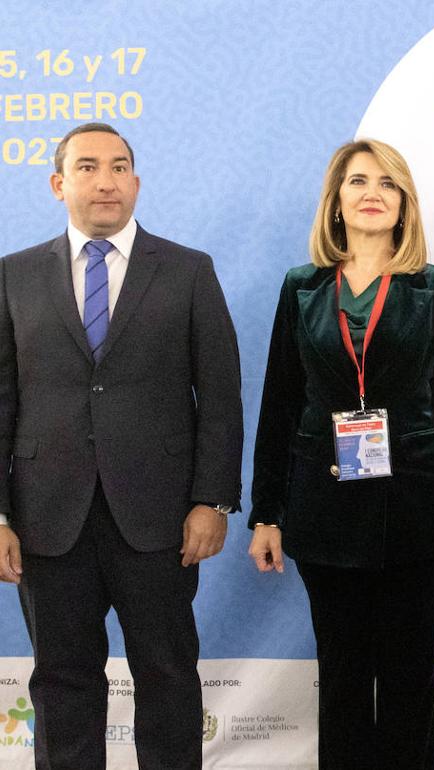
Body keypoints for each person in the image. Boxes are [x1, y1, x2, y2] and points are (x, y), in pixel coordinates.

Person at [0, 122, 244, 769]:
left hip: (161, 520)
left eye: (118, 166)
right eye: (87, 167)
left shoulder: (190, 271)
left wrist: (212, 501)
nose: (105, 180)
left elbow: (219, 396)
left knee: (166, 675)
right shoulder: (12, 276)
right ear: (59, 184)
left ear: (135, 181)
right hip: (48, 519)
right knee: (62, 681)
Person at [246, 138, 434, 770]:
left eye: (387, 184)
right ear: (336, 203)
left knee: (410, 677)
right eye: (358, 182)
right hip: (323, 509)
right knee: (344, 676)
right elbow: (279, 403)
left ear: (405, 203)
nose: (372, 194)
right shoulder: (301, 288)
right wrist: (266, 513)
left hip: (418, 508)